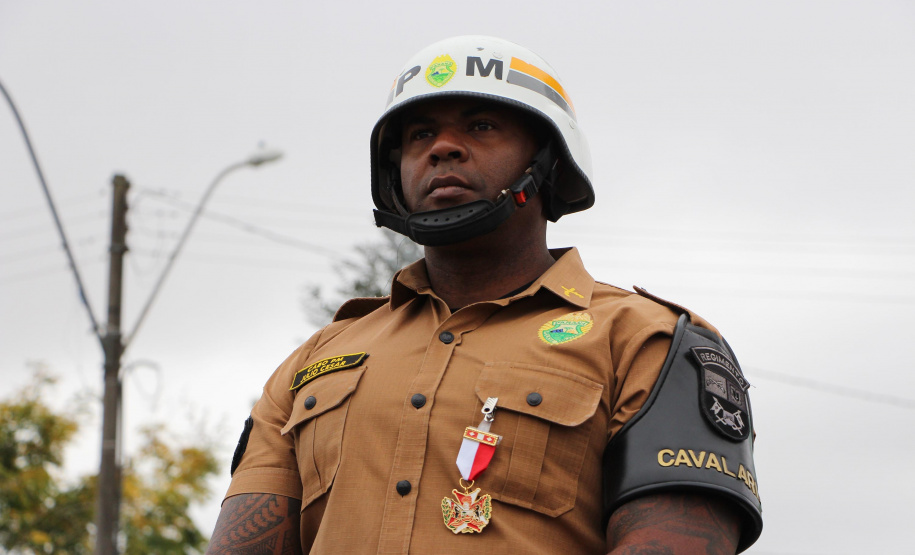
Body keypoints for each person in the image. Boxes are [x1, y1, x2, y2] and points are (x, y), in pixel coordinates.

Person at [206, 36, 762, 554]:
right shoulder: (314, 360)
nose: (443, 148)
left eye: (481, 125)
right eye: (420, 135)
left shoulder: (648, 344)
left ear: (547, 161)